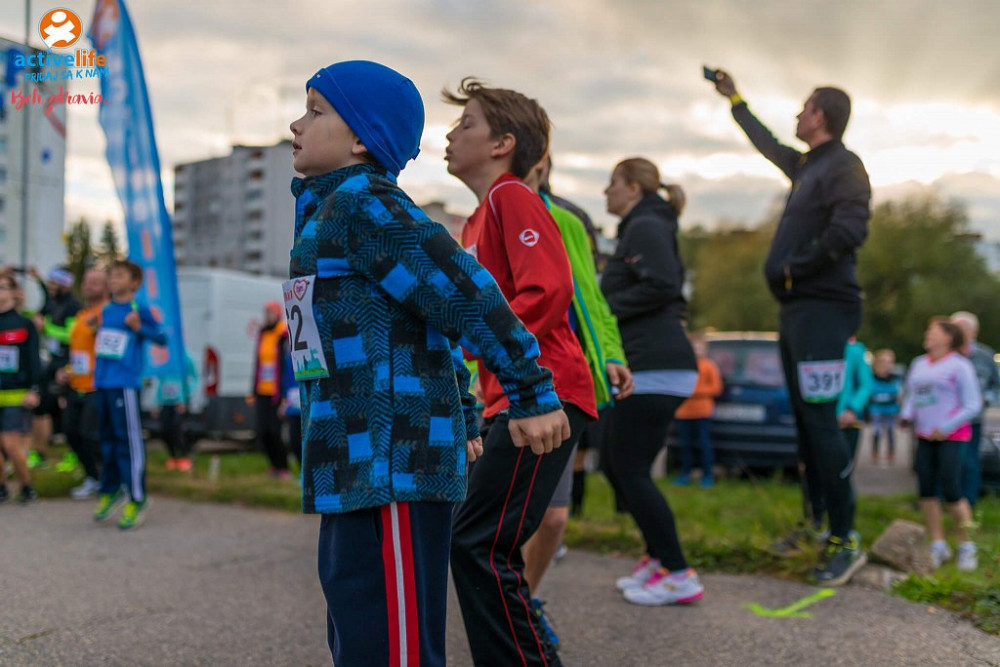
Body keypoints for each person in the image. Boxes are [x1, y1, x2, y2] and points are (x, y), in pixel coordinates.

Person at [287, 60, 569, 667]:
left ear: (361, 137)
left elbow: (467, 293)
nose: (296, 125)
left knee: (396, 649)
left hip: (392, 464)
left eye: (315, 111)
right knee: (362, 639)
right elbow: (422, 322)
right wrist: (465, 412)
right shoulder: (329, 210)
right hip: (349, 462)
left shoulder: (368, 206)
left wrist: (530, 391)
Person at [443, 78, 596, 665]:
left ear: (502, 143)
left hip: (545, 393)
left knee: (480, 544)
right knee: (481, 544)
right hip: (504, 399)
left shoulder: (513, 196)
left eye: (466, 124)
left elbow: (548, 291)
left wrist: (480, 343)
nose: (451, 135)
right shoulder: (475, 221)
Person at [711, 70, 871, 586]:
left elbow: (850, 231)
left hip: (825, 309)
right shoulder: (807, 165)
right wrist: (735, 99)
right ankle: (816, 525)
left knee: (821, 421)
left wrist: (793, 268)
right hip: (798, 310)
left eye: (804, 108)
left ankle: (845, 538)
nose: (797, 116)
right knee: (805, 423)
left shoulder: (845, 166)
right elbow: (767, 144)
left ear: (820, 116)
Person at [520, 155, 633, 648]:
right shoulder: (485, 217)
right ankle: (505, 610)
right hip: (501, 390)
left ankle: (522, 601)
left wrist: (610, 354)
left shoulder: (567, 220)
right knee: (499, 521)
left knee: (553, 518)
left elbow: (592, 299)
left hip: (562, 385)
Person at [599, 158, 702, 607]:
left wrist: (603, 309)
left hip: (655, 364)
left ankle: (678, 573)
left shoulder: (645, 225)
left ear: (634, 188)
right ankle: (658, 558)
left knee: (629, 470)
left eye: (612, 184)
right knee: (614, 465)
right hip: (650, 364)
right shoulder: (641, 225)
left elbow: (663, 284)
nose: (606, 192)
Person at [900, 318, 981, 570]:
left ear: (948, 337)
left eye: (932, 332)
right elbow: (913, 395)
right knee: (926, 491)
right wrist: (906, 414)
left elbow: (973, 404)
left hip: (951, 437)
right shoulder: (919, 363)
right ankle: (938, 544)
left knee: (952, 490)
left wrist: (945, 427)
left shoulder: (960, 366)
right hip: (924, 436)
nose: (927, 335)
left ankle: (966, 545)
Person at [92, 259, 167, 530]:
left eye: (119, 275)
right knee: (107, 441)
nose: (113, 279)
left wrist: (138, 328)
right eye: (111, 275)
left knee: (128, 442)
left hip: (125, 384)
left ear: (134, 282)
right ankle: (110, 490)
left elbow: (162, 338)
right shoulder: (105, 310)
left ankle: (137, 497)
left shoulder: (138, 309)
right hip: (102, 383)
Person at [58, 268, 109, 499]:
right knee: (71, 432)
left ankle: (111, 478)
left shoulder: (107, 313)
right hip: (76, 384)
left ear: (106, 287)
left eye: (95, 282)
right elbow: (78, 350)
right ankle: (93, 477)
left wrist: (99, 329)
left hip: (97, 385)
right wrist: (67, 370)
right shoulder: (81, 315)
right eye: (86, 281)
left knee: (91, 435)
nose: (88, 285)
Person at [29, 266, 81, 469]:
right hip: (51, 361)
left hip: (68, 364)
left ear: (65, 283)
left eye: (54, 282)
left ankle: (75, 454)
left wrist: (47, 328)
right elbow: (42, 305)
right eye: (49, 282)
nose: (50, 285)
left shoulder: (73, 306)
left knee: (68, 410)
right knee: (41, 407)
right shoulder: (52, 301)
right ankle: (39, 453)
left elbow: (73, 336)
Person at [0, 273, 42, 504]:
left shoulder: (24, 324)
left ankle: (26, 486)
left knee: (10, 444)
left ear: (14, 293)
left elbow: (34, 360)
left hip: (16, 394)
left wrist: (35, 389)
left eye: (2, 287)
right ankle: (2, 488)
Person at [950, 311, 999, 507]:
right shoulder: (946, 354)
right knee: (947, 461)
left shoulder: (985, 355)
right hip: (947, 419)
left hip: (973, 419)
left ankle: (969, 503)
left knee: (970, 460)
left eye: (962, 328)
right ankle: (945, 500)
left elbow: (996, 384)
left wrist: (985, 399)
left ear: (974, 331)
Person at [674, 332, 723, 488]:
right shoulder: (683, 365)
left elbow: (716, 388)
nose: (697, 351)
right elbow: (677, 386)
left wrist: (693, 391)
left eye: (700, 348)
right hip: (684, 412)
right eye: (694, 348)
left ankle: (707, 475)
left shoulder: (709, 366)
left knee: (704, 443)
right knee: (685, 444)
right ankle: (685, 474)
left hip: (702, 412)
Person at [247, 301, 290, 478]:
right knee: (262, 431)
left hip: (277, 392)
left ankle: (283, 466)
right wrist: (253, 390)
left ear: (278, 314)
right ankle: (273, 465)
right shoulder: (263, 334)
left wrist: (286, 393)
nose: (268, 316)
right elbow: (258, 364)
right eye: (266, 313)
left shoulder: (283, 334)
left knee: (275, 431)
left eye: (271, 312)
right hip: (262, 390)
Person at [152, 349, 199, 472]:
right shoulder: (165, 359)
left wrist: (185, 396)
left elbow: (195, 379)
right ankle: (173, 456)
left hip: (180, 403)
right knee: (164, 430)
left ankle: (186, 456)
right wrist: (156, 403)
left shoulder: (186, 358)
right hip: (166, 402)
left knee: (177, 429)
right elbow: (161, 382)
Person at [837, 336, 873, 465]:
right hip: (819, 419)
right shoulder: (815, 345)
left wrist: (852, 409)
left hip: (847, 420)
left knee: (844, 465)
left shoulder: (854, 350)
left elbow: (866, 384)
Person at [869, 349, 903, 466]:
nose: (887, 364)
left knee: (890, 431)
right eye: (885, 361)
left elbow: (898, 394)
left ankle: (890, 453)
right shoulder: (871, 377)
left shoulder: (895, 378)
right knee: (876, 430)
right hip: (876, 410)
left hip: (891, 410)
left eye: (890, 362)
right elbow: (870, 393)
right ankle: (875, 452)